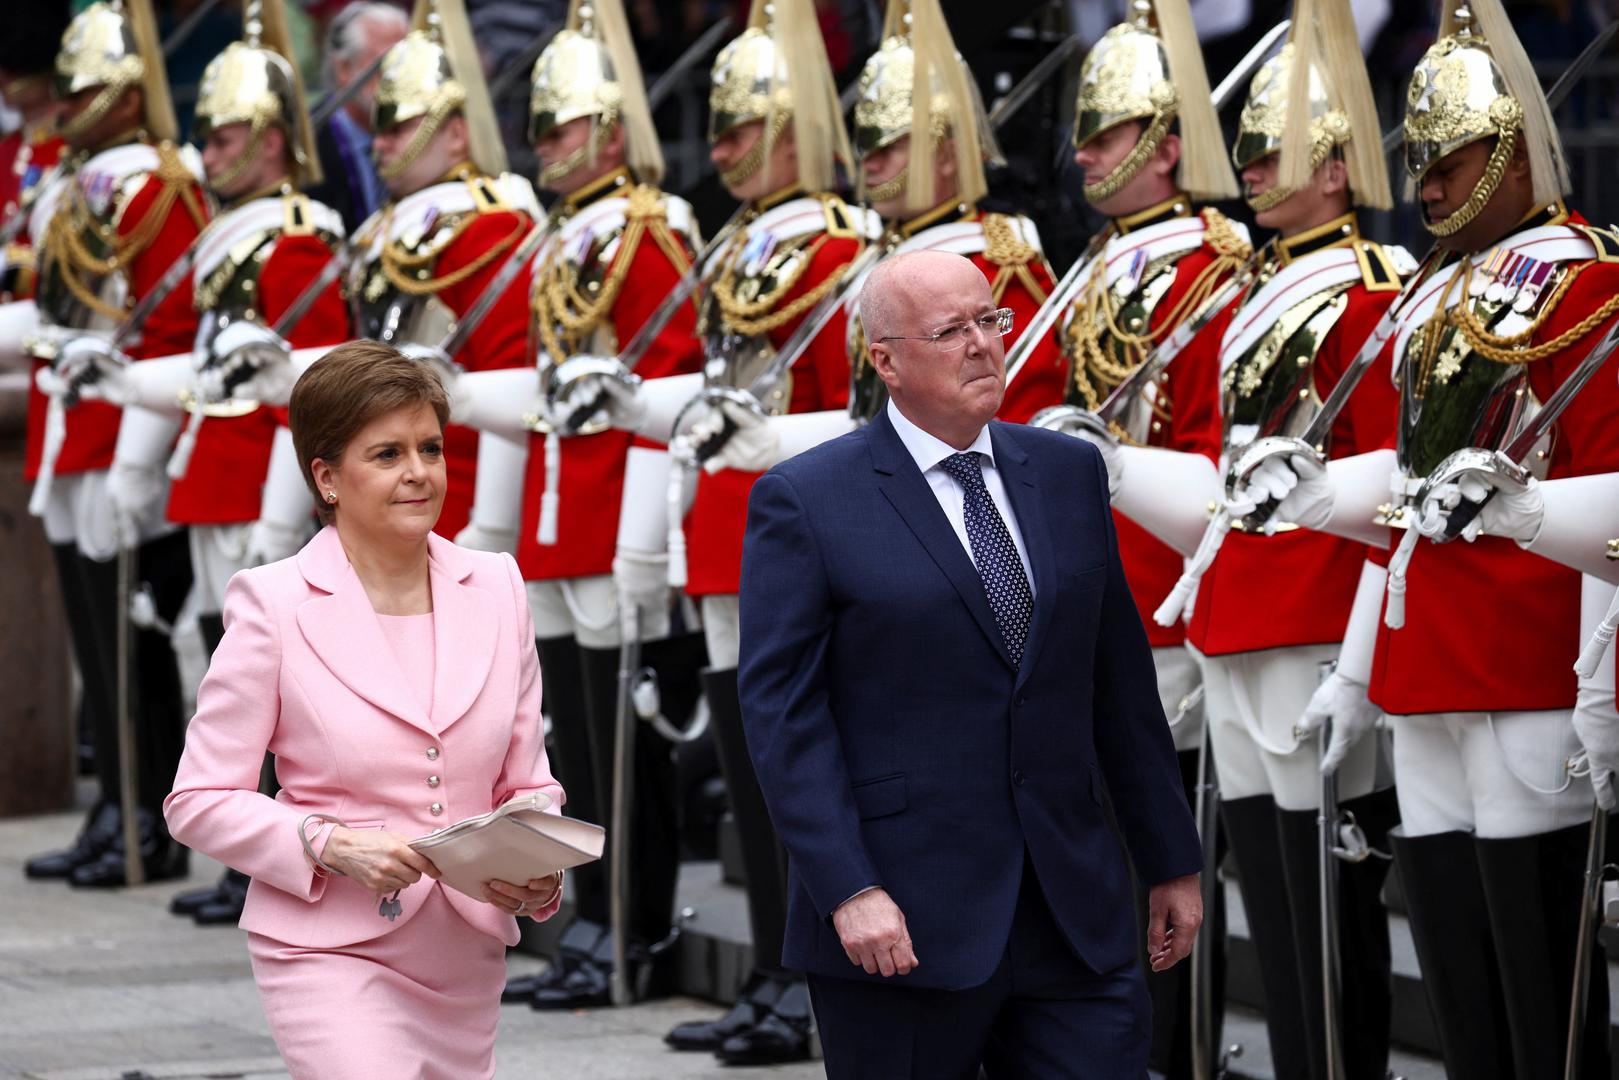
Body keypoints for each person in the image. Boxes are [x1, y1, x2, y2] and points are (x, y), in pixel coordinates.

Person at [1249, 0, 1619, 1072]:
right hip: (1421, 661)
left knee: (1535, 974)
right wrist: (1317, 506)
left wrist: (1597, 686)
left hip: (1525, 654)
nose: (1427, 182)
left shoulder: (1582, 282)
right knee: (1457, 964)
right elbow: (1407, 506)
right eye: (1419, 158)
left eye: (1451, 159)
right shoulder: (1424, 296)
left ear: (1510, 156)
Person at [738, 249, 1202, 1077]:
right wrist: (847, 888)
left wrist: (1168, 855)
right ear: (884, 360)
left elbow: (1117, 685)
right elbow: (783, 719)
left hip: (1072, 913)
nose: (983, 345)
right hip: (900, 922)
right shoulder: (806, 499)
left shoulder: (1066, 472)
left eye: (990, 321)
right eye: (950, 331)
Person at [1094, 2, 1413, 1073]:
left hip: (1315, 613)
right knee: (1268, 899)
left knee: (1325, 911)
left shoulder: (1373, 290)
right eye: (1249, 148)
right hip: (1233, 612)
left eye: (1274, 150)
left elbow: (1389, 484)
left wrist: (1363, 658)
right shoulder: (1256, 289)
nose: (1251, 166)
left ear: (1334, 169)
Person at [590, 0, 881, 1061]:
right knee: (754, 778)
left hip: (795, 530)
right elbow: (708, 397)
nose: (717, 145)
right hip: (719, 532)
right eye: (713, 123)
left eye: (742, 123)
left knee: (796, 774)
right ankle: (770, 966)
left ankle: (808, 980)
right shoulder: (733, 243)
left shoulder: (840, 246)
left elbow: (850, 415)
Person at [164, 340, 567, 1080]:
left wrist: (538, 865)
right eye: (386, 454)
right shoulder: (272, 603)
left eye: (431, 448)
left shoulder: (499, 585)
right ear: (326, 477)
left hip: (462, 952)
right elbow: (197, 800)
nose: (419, 472)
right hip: (326, 946)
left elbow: (526, 782)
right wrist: (326, 841)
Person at [452, 0, 708, 1010]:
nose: (540, 143)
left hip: (610, 513)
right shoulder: (564, 236)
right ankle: (587, 920)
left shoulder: (645, 227)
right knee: (566, 745)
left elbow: (665, 380)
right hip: (560, 512)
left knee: (619, 741)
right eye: (540, 127)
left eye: (558, 126)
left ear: (607, 128)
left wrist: (646, 545)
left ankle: (631, 925)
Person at [19, 0, 209, 888]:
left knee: (133, 644)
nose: (74, 100)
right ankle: (115, 802)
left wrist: (140, 453)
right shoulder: (73, 180)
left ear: (130, 94)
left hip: (119, 422)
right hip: (69, 421)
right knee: (95, 644)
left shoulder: (158, 182)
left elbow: (171, 324)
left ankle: (150, 812)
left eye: (92, 85)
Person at [332, 0, 543, 543]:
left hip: (454, 494)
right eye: (380, 127)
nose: (382, 143)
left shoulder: (490, 223)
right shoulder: (377, 231)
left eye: (401, 127)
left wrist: (491, 523)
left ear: (454, 133)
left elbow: (510, 375)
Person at [306, 1, 407, 231]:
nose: (398, 77)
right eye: (385, 64)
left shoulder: (422, 130)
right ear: (343, 69)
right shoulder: (310, 142)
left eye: (405, 63)